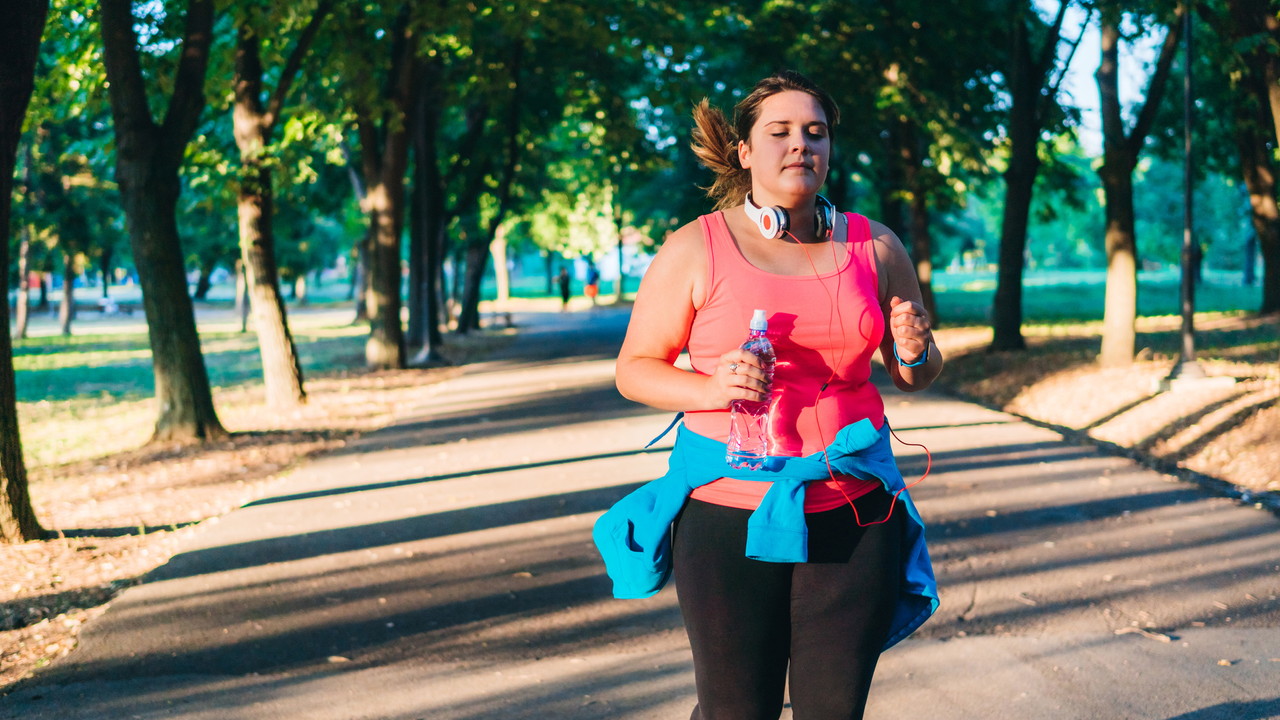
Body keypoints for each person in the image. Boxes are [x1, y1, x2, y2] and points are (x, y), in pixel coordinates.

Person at [610, 71, 944, 719]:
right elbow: (635, 369)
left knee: (834, 711)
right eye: (781, 132)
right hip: (726, 513)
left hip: (856, 510)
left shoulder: (874, 245)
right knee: (738, 711)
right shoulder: (696, 246)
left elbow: (916, 373)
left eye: (815, 133)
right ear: (745, 151)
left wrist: (912, 347)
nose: (801, 145)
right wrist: (710, 386)